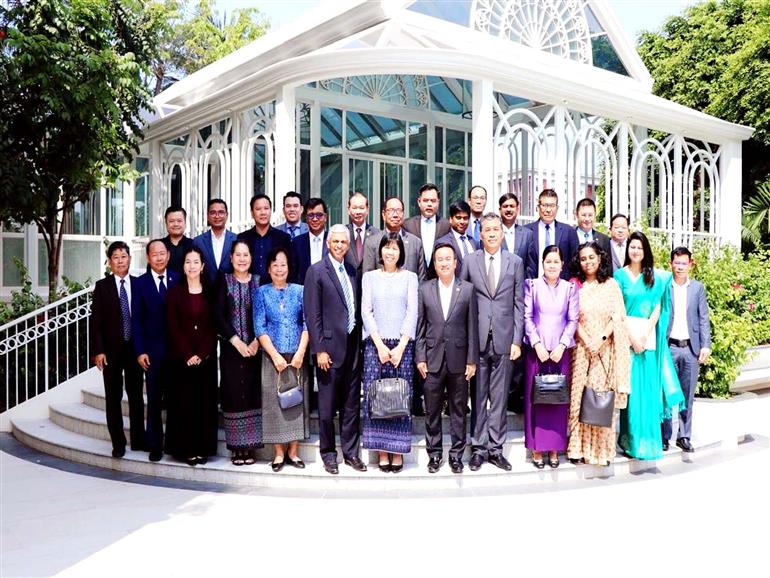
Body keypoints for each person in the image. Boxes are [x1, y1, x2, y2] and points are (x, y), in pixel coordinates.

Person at [460, 213, 524, 471]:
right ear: (481, 234)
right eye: (487, 230)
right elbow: (462, 302)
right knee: (478, 396)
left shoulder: (515, 262)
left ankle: (496, 449)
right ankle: (478, 448)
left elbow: (519, 304)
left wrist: (517, 340)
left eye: (496, 229)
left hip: (504, 339)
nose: (492, 234)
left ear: (501, 232)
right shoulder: (469, 261)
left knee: (499, 398)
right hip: (476, 341)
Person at [614, 231, 684, 460]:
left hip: (648, 340)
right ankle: (631, 442)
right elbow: (619, 311)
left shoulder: (655, 277)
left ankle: (649, 443)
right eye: (632, 247)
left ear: (645, 251)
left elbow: (657, 307)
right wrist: (632, 338)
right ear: (628, 250)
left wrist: (644, 335)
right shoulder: (619, 276)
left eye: (639, 247)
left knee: (649, 393)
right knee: (632, 395)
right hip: (627, 340)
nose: (635, 251)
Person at [303, 224, 367, 475]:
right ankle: (329, 454)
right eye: (336, 242)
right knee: (327, 408)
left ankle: (351, 453)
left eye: (344, 242)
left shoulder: (351, 270)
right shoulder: (317, 271)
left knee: (351, 406)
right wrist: (319, 349)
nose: (340, 246)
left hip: (352, 347)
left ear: (348, 245)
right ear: (328, 243)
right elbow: (313, 314)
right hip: (328, 351)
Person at [566, 242, 630, 466]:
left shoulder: (611, 285)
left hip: (604, 351)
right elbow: (571, 318)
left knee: (600, 400)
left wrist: (600, 339)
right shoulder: (576, 286)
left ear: (600, 258)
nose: (588, 262)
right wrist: (587, 340)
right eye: (583, 259)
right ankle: (577, 449)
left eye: (591, 257)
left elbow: (618, 316)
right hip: (582, 351)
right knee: (579, 399)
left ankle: (601, 452)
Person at [416, 243, 478, 474]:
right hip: (431, 360)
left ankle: (456, 455)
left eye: (447, 259)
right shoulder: (425, 289)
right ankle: (434, 454)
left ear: (455, 263)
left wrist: (471, 360)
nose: (444, 263)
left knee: (458, 411)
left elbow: (472, 327)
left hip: (459, 360)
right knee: (432, 410)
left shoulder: (467, 290)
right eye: (439, 259)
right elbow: (420, 327)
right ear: (434, 263)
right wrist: (420, 357)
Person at [361, 232, 419, 473]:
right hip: (375, 346)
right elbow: (366, 311)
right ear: (380, 251)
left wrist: (400, 347)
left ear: (401, 252)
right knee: (377, 398)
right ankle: (382, 452)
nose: (390, 252)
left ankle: (397, 451)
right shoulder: (369, 278)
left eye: (395, 248)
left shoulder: (410, 278)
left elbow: (412, 312)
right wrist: (380, 346)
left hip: (402, 347)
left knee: (399, 398)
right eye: (387, 247)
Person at [255, 246, 311, 472]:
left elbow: (307, 323)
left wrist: (300, 352)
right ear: (269, 269)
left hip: (296, 357)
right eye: (275, 265)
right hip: (272, 358)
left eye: (283, 265)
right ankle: (278, 453)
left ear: (289, 267)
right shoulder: (261, 292)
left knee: (295, 403)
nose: (279, 269)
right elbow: (259, 326)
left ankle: (293, 452)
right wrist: (275, 355)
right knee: (274, 405)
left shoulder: (300, 291)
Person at [523, 246, 579, 468]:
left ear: (562, 265)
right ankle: (537, 448)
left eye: (556, 261)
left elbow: (573, 319)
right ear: (542, 264)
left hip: (560, 353)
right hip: (536, 352)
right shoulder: (532, 285)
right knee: (536, 400)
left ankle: (555, 448)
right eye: (548, 261)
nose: (552, 265)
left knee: (557, 400)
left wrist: (562, 345)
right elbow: (527, 316)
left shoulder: (570, 288)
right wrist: (536, 343)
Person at [90, 241, 145, 458]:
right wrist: (99, 350)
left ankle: (138, 440)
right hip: (111, 352)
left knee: (136, 396)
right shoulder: (102, 287)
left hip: (135, 349)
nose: (120, 261)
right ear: (109, 262)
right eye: (116, 257)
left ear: (130, 259)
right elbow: (96, 323)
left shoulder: (139, 284)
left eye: (124, 256)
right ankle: (118, 443)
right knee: (113, 398)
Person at [165, 247, 218, 466]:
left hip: (206, 359)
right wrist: (188, 354)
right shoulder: (174, 293)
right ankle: (185, 450)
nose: (192, 266)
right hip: (181, 359)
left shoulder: (211, 292)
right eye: (188, 262)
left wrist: (202, 353)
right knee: (183, 405)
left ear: (203, 266)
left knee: (204, 405)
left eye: (196, 262)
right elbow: (173, 326)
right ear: (183, 266)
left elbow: (214, 325)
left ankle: (203, 448)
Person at [215, 240, 262, 466]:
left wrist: (256, 340)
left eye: (246, 255)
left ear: (251, 258)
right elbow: (218, 315)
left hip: (255, 349)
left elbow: (264, 313)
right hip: (231, 349)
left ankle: (250, 446)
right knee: (233, 394)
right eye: (238, 255)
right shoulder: (223, 280)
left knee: (252, 393)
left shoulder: (260, 281)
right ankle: (236, 448)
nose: (242, 259)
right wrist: (235, 340)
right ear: (231, 258)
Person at [132, 239, 179, 462]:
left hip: (176, 352)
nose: (159, 258)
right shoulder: (140, 284)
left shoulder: (178, 279)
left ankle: (174, 444)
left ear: (168, 256)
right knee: (153, 400)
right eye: (154, 254)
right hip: (151, 353)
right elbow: (136, 320)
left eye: (162, 253)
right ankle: (155, 445)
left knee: (175, 399)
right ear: (148, 258)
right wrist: (140, 351)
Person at [662, 246, 711, 453]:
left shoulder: (697, 288)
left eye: (684, 263)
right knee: (665, 393)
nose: (680, 267)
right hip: (669, 347)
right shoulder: (665, 286)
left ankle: (683, 436)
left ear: (690, 264)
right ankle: (664, 436)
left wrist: (705, 345)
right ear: (671, 264)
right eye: (677, 263)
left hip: (690, 348)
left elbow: (703, 318)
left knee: (687, 395)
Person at [363, 196, 426, 281]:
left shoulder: (415, 242)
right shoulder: (372, 242)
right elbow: (367, 277)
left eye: (399, 210)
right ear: (383, 214)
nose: (395, 215)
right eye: (391, 210)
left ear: (403, 214)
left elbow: (421, 278)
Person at [524, 189, 578, 279]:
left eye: (552, 205)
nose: (548, 210)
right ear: (538, 207)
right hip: (533, 284)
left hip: (561, 285)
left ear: (557, 208)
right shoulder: (527, 231)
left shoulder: (568, 231)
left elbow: (575, 263)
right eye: (545, 205)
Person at [237, 194, 291, 281]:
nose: (263, 212)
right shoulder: (243, 238)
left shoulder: (283, 238)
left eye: (266, 208)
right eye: (258, 209)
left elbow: (290, 267)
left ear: (270, 211)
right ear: (252, 213)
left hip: (275, 286)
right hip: (249, 286)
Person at [402, 183, 450, 267]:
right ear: (419, 202)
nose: (429, 204)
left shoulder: (446, 225)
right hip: (415, 272)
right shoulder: (407, 225)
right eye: (425, 200)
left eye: (433, 201)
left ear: (438, 202)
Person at [193, 198, 236, 287]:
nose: (217, 216)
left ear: (227, 215)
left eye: (221, 212)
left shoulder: (236, 239)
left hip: (231, 290)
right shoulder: (198, 241)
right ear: (208, 216)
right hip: (205, 290)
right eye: (213, 212)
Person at [433, 200, 477, 276]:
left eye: (465, 218)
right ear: (451, 219)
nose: (462, 222)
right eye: (458, 218)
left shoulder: (473, 242)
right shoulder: (442, 243)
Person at [290, 197, 328, 285]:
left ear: (325, 217)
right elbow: (293, 274)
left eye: (319, 215)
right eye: (311, 215)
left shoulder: (333, 240)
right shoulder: (297, 243)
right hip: (304, 290)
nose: (315, 219)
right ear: (306, 218)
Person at [344, 192, 380, 279]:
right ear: (348, 210)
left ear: (367, 209)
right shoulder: (343, 233)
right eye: (354, 208)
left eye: (361, 208)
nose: (358, 212)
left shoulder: (377, 234)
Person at [499, 192, 534, 266]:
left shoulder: (527, 234)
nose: (508, 209)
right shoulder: (493, 233)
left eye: (512, 206)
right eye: (505, 206)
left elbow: (530, 265)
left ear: (517, 209)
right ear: (500, 210)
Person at [161, 206, 194, 276]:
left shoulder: (194, 244)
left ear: (185, 223)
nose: (176, 224)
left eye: (179, 221)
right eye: (171, 221)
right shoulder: (159, 245)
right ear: (166, 223)